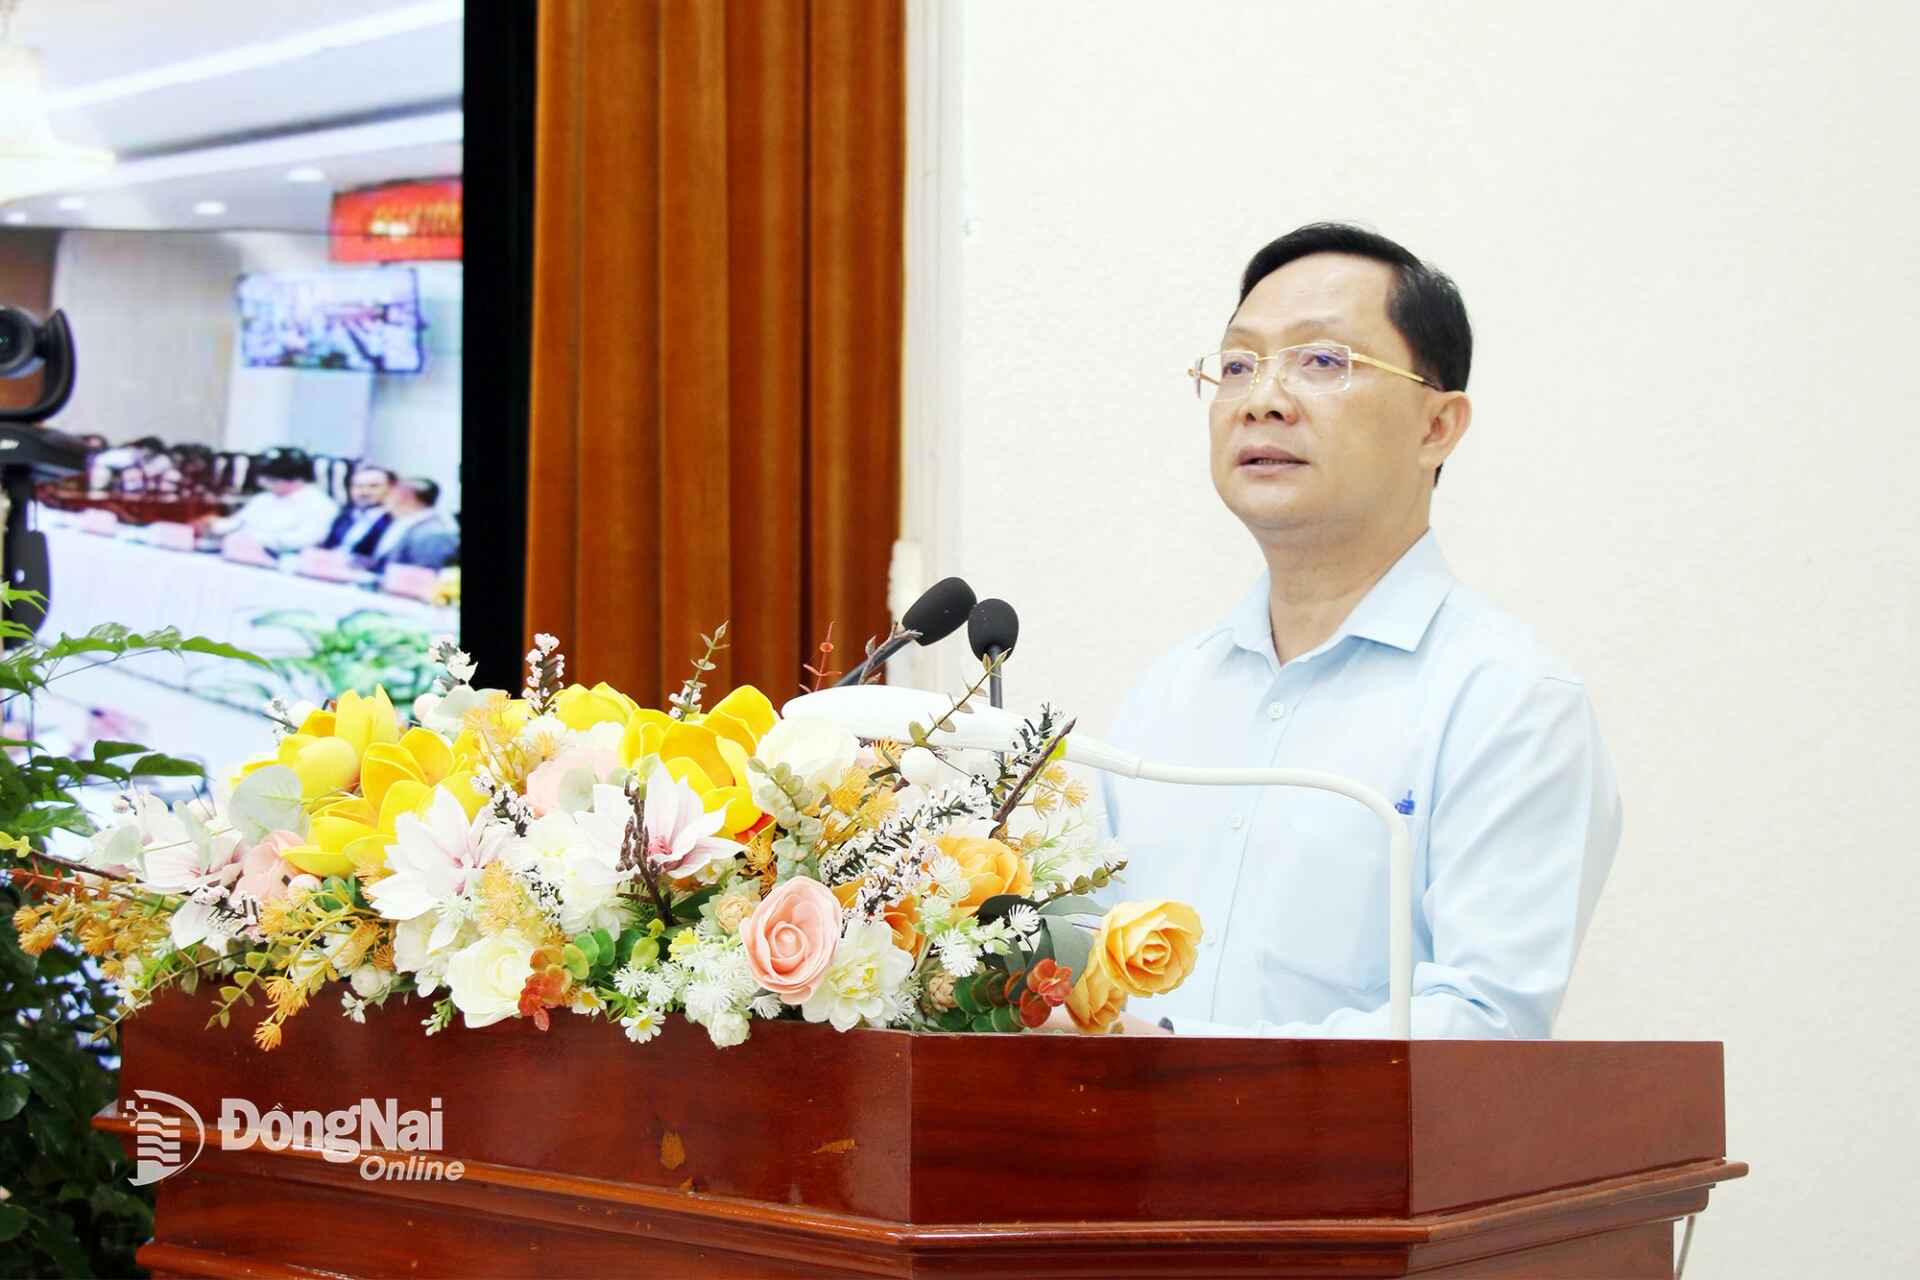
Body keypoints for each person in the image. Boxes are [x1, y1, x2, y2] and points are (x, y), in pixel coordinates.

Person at [1097, 223, 1621, 1040]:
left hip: (1358, 1168)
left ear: (1437, 427)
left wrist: (1200, 1092)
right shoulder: (1165, 698)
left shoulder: (1510, 702)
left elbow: (1484, 1023)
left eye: (1323, 362)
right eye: (1237, 366)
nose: (1263, 399)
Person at [207, 454, 337, 553]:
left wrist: (256, 539)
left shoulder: (320, 504)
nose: (266, 485)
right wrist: (211, 525)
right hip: (244, 553)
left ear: (294, 479)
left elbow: (307, 540)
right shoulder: (263, 499)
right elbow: (236, 523)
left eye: (272, 480)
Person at [363, 476, 458, 570]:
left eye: (390, 493)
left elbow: (425, 578)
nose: (385, 498)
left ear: (404, 495)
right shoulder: (402, 523)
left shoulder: (434, 533)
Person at [320, 465, 395, 556]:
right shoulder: (345, 516)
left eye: (373, 486)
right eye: (358, 486)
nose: (364, 492)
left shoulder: (393, 522)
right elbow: (327, 546)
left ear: (390, 489)